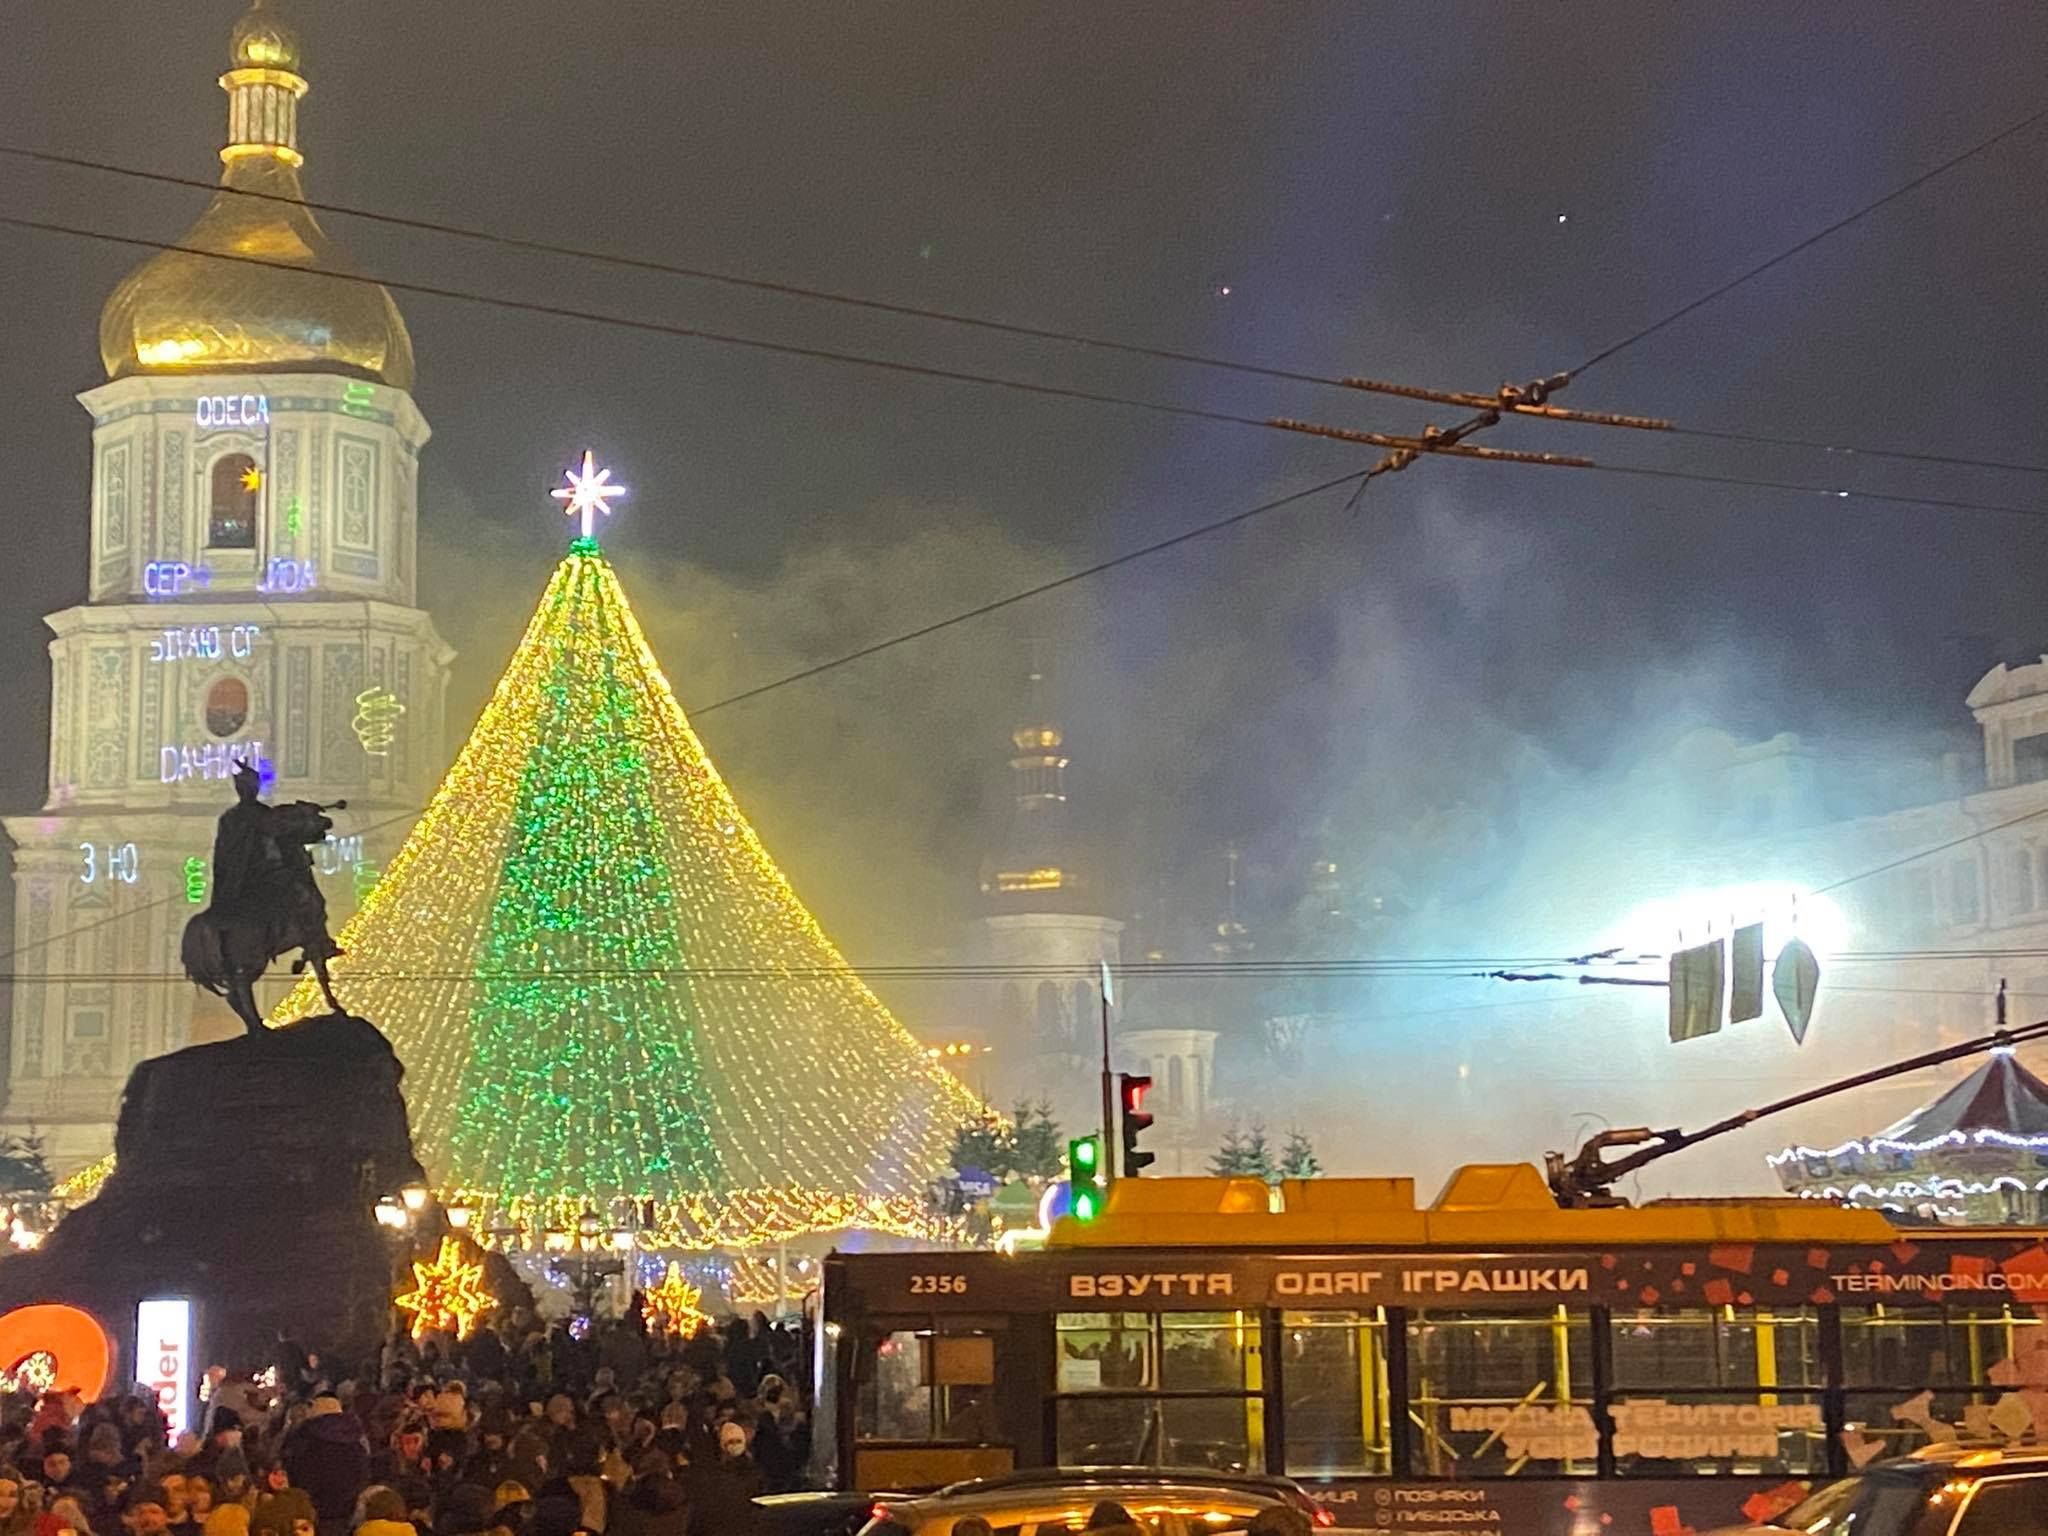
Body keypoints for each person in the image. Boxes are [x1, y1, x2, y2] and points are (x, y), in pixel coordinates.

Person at [280, 1401, 367, 1536]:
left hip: (315, 1507)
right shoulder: (356, 1444)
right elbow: (363, 1474)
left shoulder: (305, 1442)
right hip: (347, 1507)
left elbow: (297, 1472)